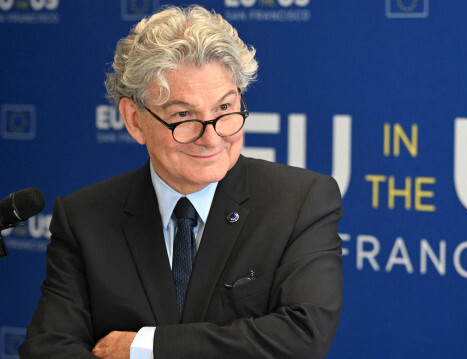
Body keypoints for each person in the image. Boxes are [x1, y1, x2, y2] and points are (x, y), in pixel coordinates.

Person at [19, 5, 343, 359]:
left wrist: (145, 347)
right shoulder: (84, 217)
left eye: (224, 109)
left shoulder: (300, 202)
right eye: (183, 116)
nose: (211, 137)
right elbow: (48, 347)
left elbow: (303, 336)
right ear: (134, 120)